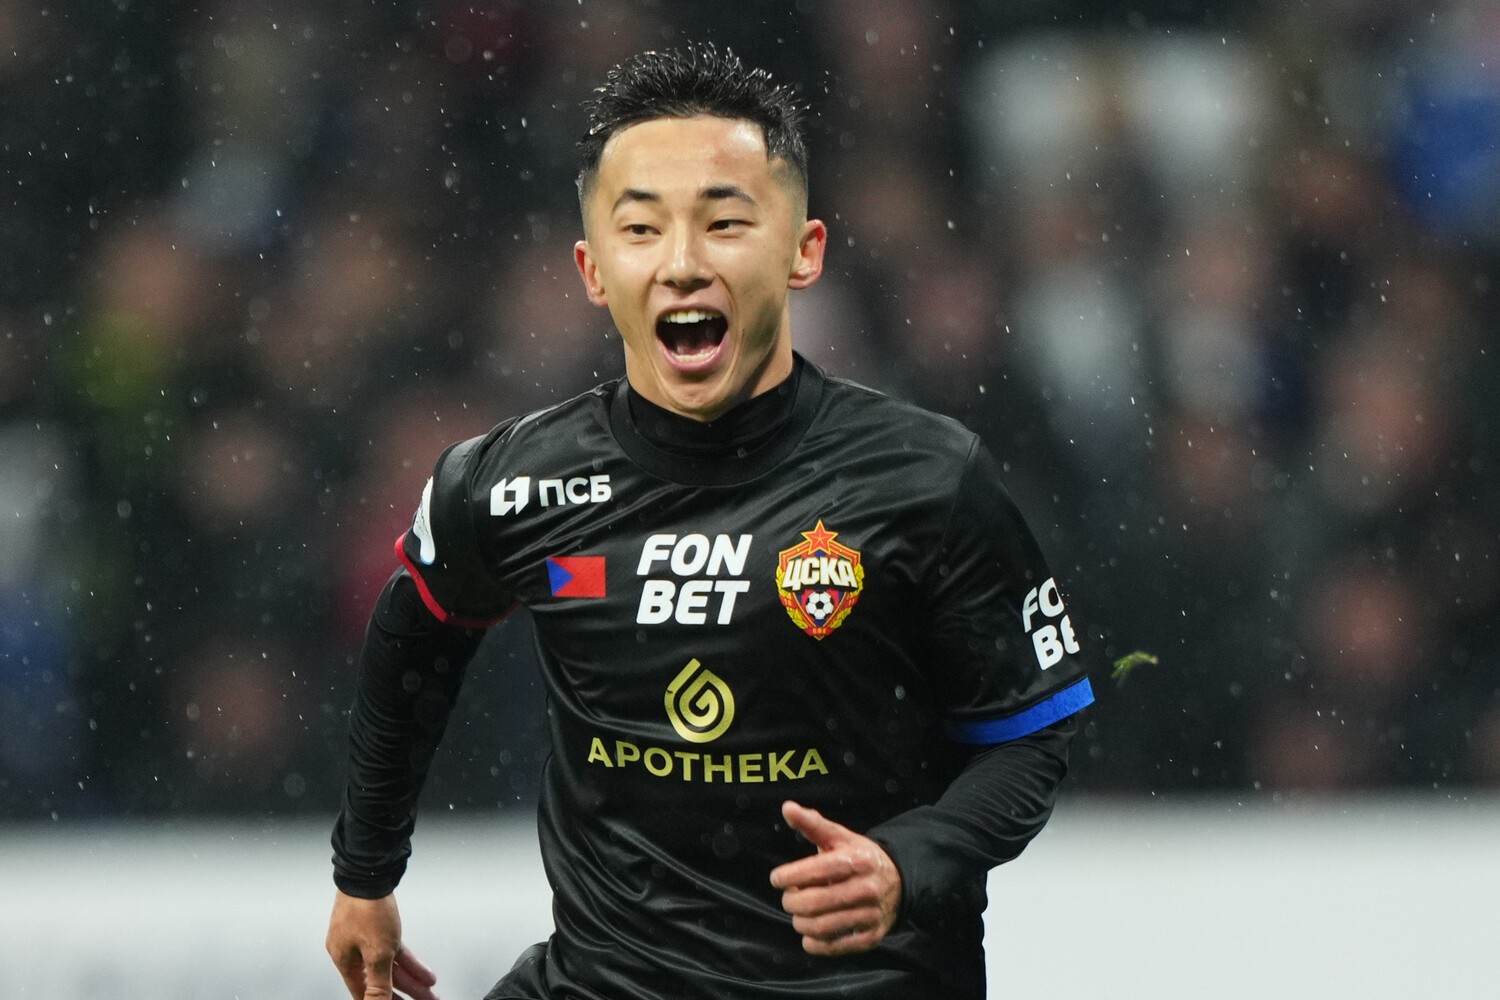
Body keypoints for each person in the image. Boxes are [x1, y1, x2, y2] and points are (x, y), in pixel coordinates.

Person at [325, 43, 1094, 1000]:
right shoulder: (509, 484)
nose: (683, 264)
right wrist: (365, 872)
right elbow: (415, 641)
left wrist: (911, 860)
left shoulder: (927, 479)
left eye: (725, 223)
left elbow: (1031, 737)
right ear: (593, 269)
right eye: (641, 229)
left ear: (804, 251)